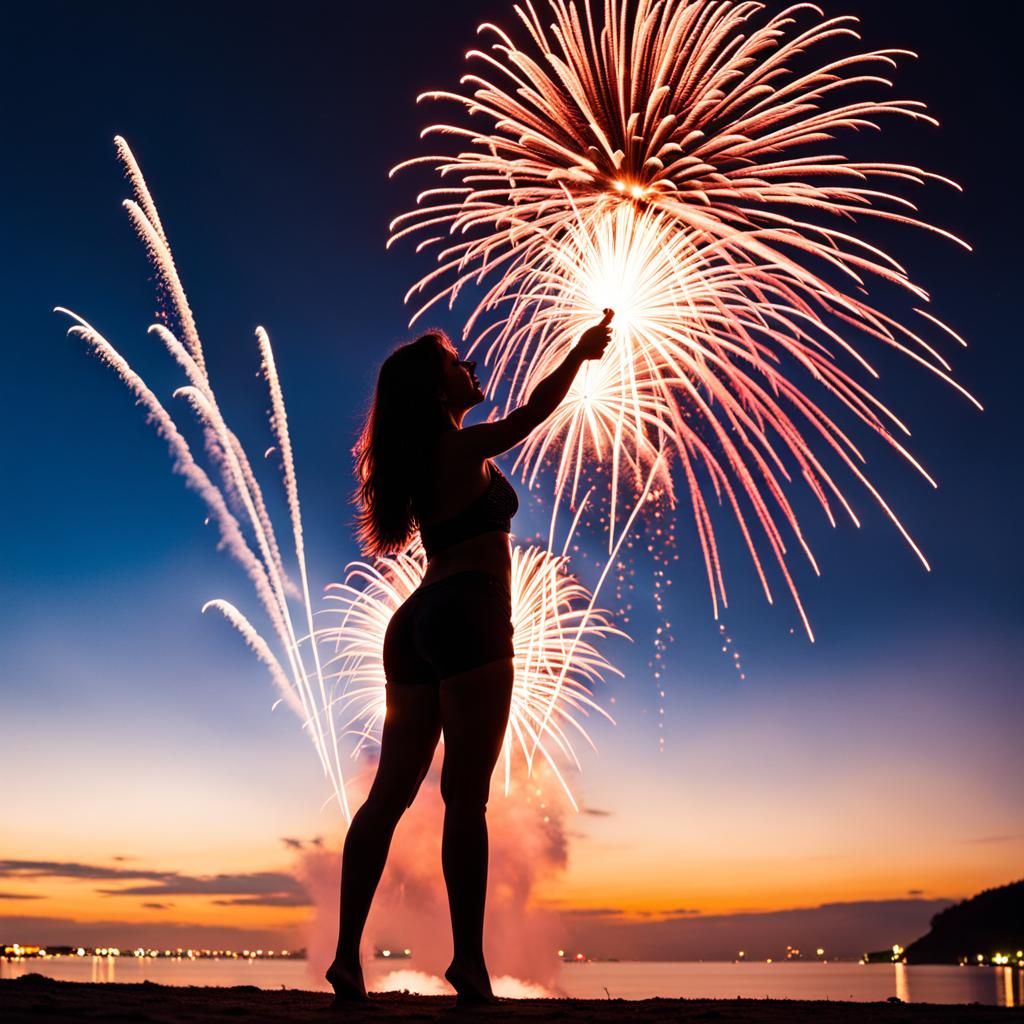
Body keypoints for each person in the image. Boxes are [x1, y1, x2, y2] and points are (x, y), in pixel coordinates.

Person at [326, 309, 614, 1008]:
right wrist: (578, 353)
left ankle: (343, 958)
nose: (472, 368)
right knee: (466, 798)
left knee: (387, 799)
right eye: (458, 364)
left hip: (416, 620)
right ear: (435, 391)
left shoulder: (423, 460)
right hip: (471, 614)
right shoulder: (456, 449)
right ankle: (469, 965)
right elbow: (533, 414)